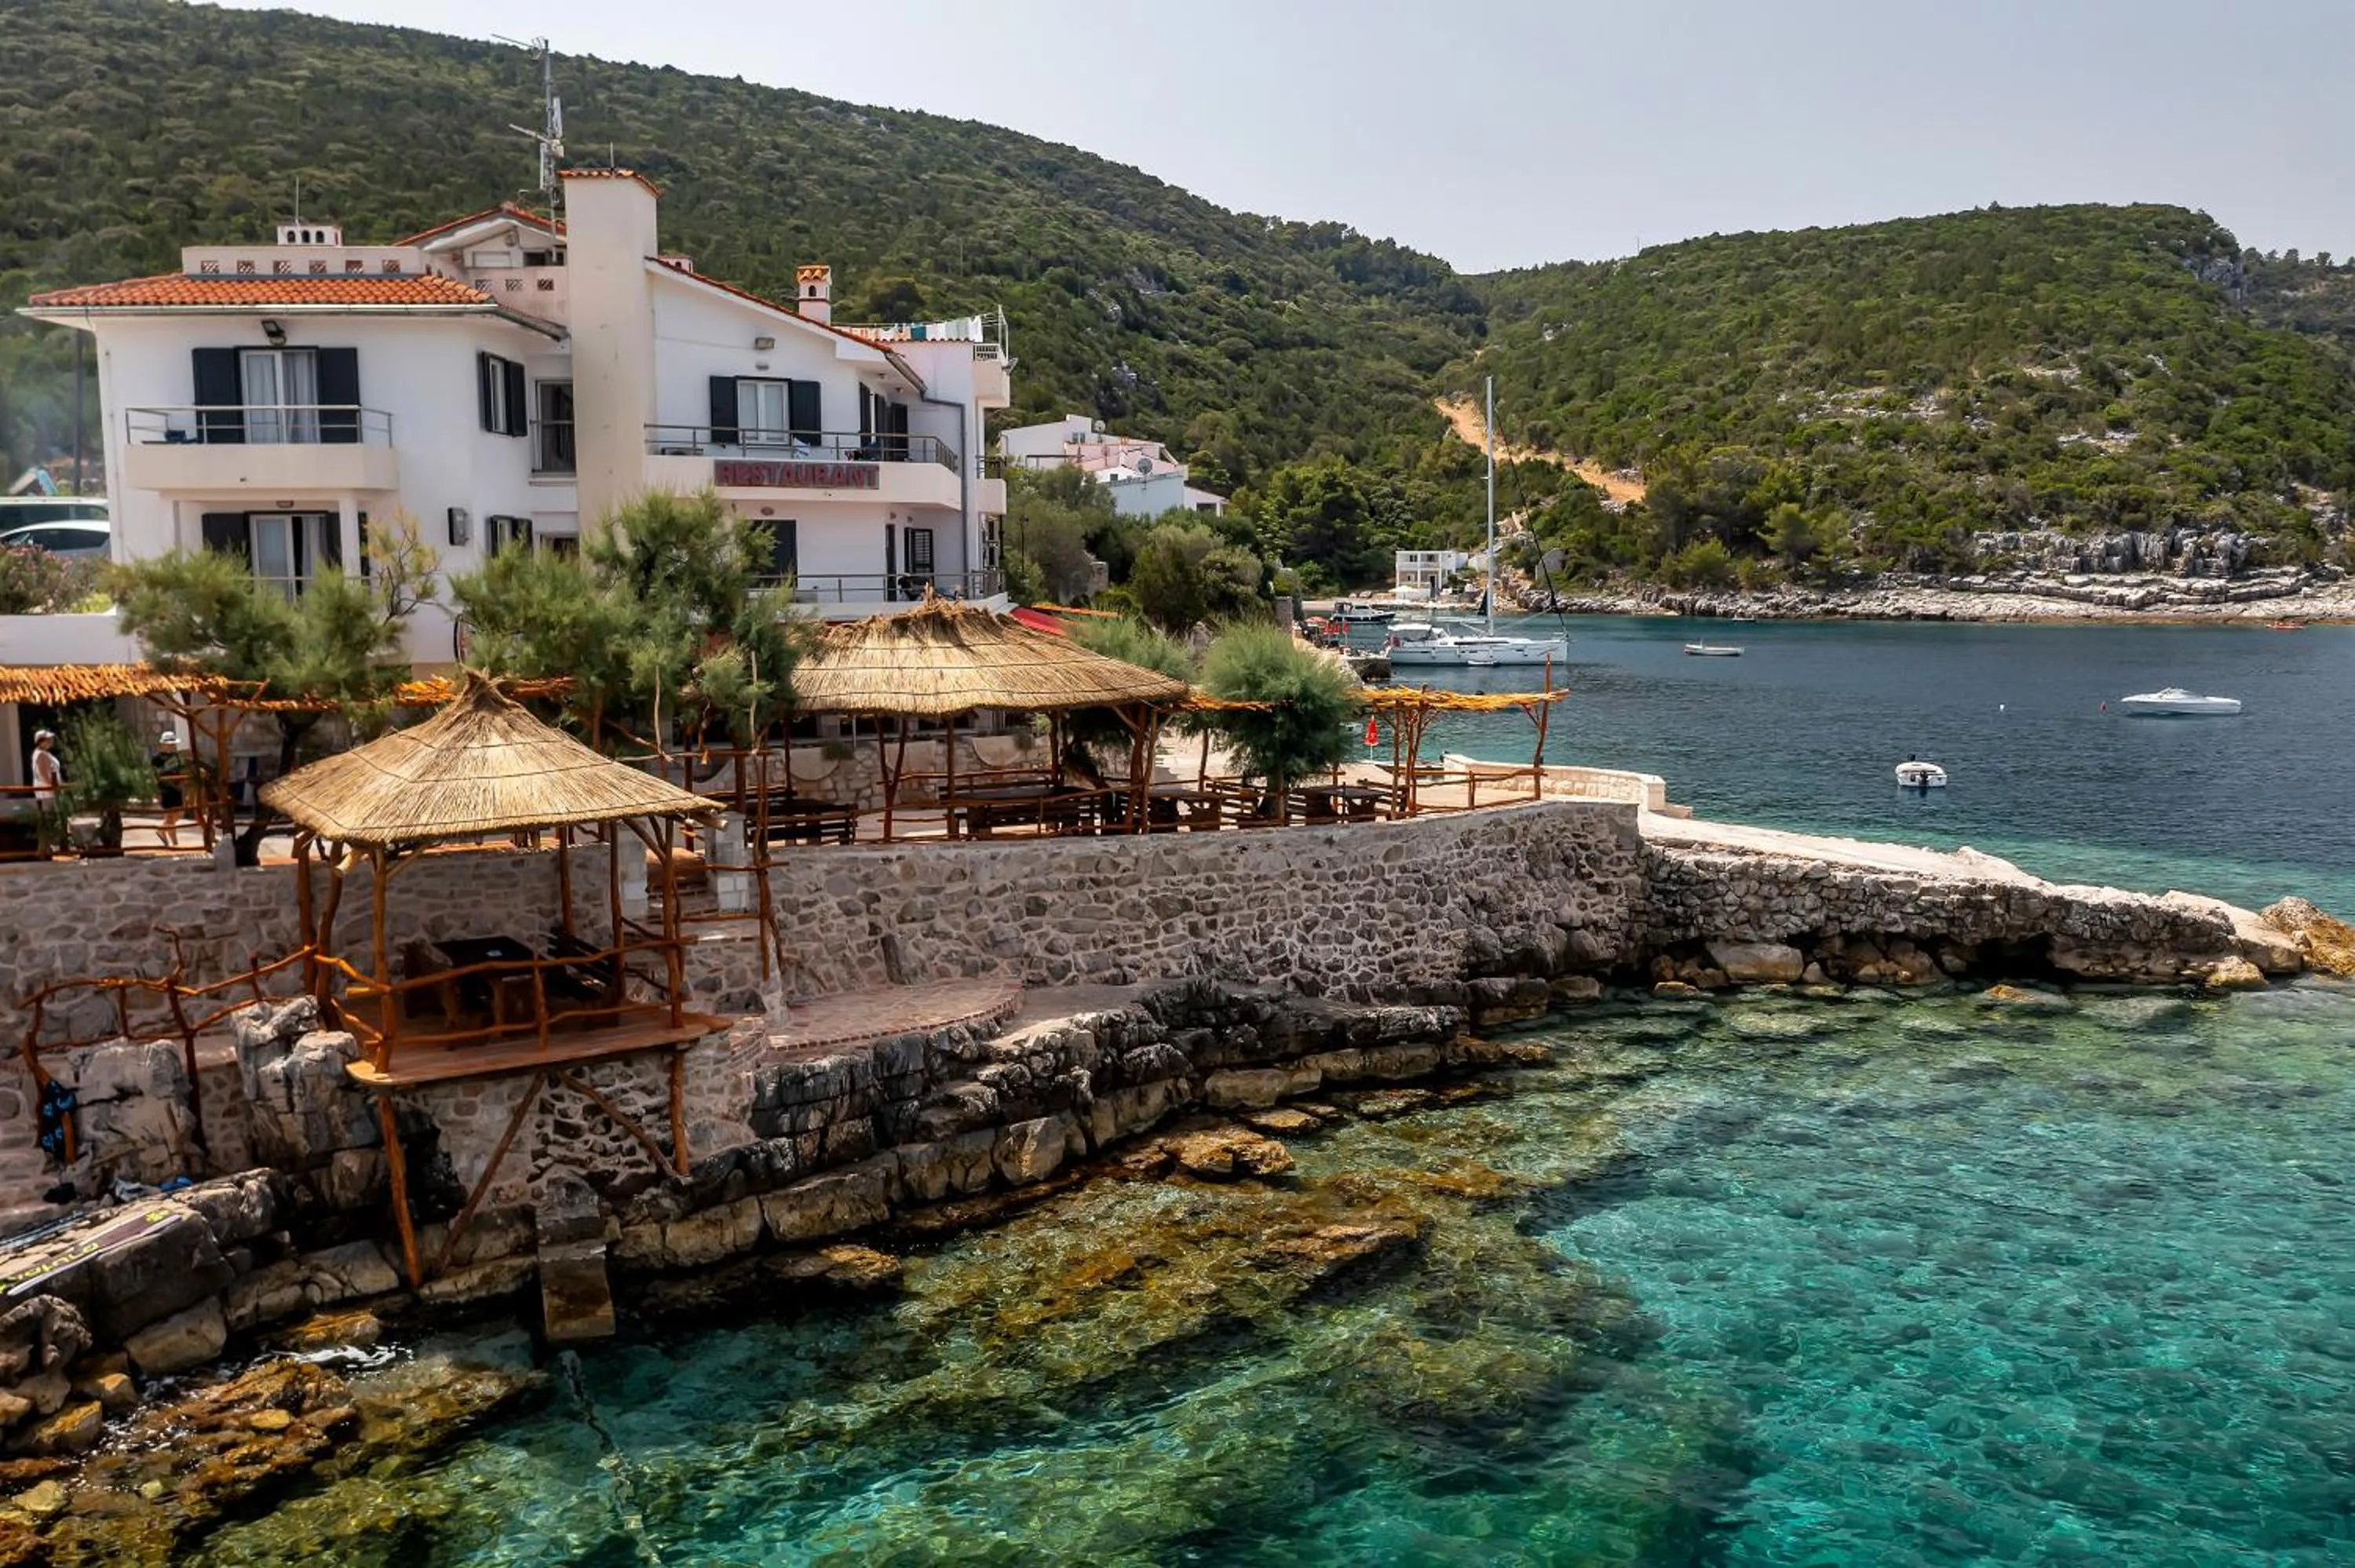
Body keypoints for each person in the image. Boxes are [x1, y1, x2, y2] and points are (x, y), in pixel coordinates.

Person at [28, 729, 64, 854]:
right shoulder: (40, 755)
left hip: (49, 791)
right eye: (47, 739)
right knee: (48, 819)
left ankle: (47, 847)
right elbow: (43, 774)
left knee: (49, 819)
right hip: (46, 792)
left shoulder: (43, 753)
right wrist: (53, 786)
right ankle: (45, 848)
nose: (50, 741)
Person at [151, 729, 185, 848]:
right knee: (170, 816)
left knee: (179, 813)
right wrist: (156, 791)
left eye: (173, 744)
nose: (172, 746)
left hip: (176, 788)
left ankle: (162, 830)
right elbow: (155, 775)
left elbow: (180, 771)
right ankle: (175, 843)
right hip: (165, 789)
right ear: (163, 745)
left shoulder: (176, 757)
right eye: (170, 744)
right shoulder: (157, 759)